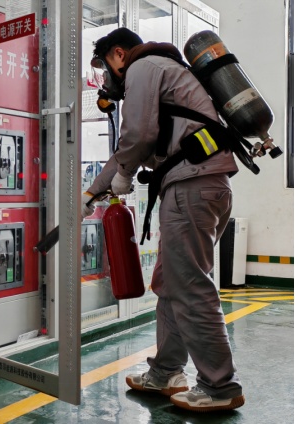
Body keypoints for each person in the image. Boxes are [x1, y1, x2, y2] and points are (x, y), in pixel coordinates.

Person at [83, 27, 245, 412]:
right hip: (202, 186)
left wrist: (123, 175)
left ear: (118, 54)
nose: (106, 78)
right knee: (171, 283)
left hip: (191, 187)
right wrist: (92, 194)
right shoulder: (167, 69)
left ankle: (220, 387)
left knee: (189, 285)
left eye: (104, 66)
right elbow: (133, 147)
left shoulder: (144, 67)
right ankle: (166, 373)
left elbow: (137, 135)